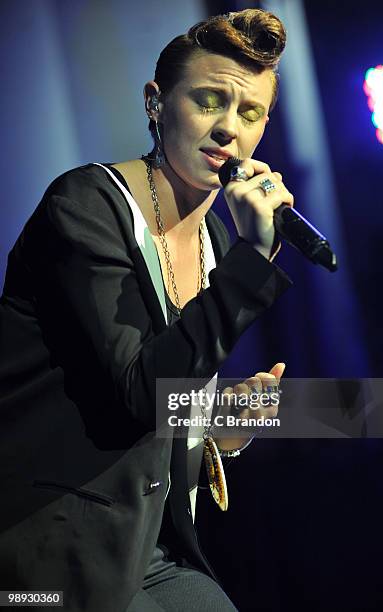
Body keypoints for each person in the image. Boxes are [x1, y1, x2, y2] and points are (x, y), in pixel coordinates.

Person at [0, 8, 295, 611]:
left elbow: (162, 397)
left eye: (250, 112)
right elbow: (136, 392)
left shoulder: (215, 239)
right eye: (209, 101)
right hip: (47, 548)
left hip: (149, 546)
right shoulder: (87, 205)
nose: (228, 130)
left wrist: (218, 427)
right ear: (156, 103)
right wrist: (254, 259)